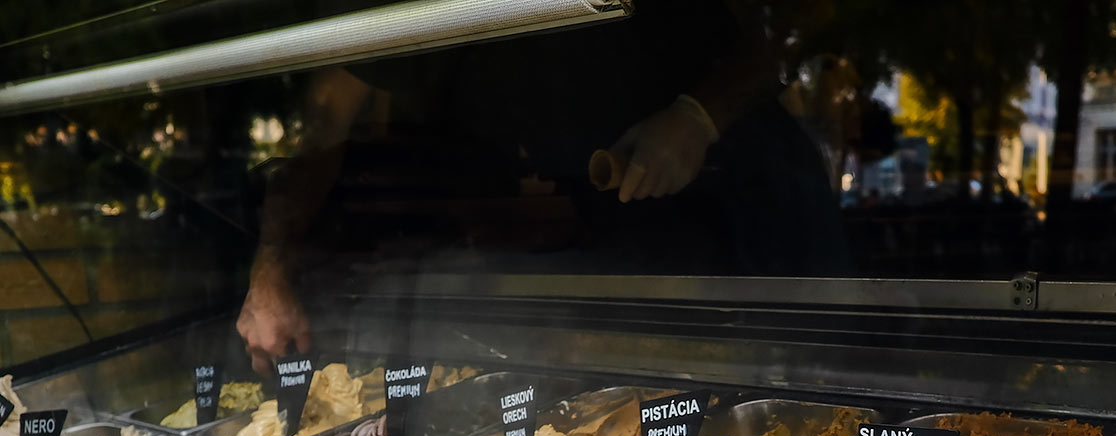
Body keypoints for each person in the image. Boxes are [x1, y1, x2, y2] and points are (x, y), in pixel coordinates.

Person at [237, 0, 847, 374]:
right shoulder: (412, 16)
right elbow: (323, 122)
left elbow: (801, 19)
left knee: (824, 380)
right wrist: (270, 269)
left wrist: (700, 115)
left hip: (758, 198)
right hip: (624, 220)